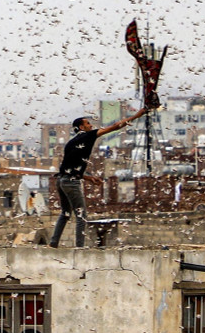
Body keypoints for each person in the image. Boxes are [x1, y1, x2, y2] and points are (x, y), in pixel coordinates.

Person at [50, 106, 148, 247]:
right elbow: (115, 127)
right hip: (71, 182)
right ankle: (79, 248)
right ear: (81, 127)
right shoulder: (89, 135)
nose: (91, 125)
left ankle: (53, 243)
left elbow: (69, 167)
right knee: (81, 216)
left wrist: (89, 178)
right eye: (88, 123)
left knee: (65, 213)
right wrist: (136, 116)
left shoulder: (70, 143)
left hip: (61, 180)